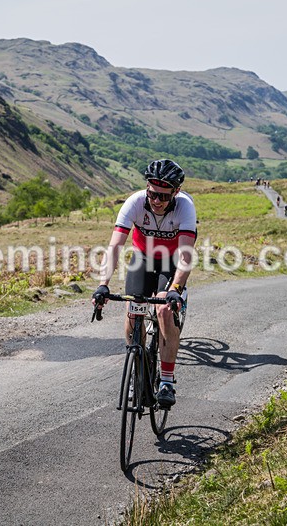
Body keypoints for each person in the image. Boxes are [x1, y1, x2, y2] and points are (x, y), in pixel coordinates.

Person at [92, 159, 197, 408]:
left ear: (176, 192)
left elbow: (185, 257)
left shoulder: (185, 207)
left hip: (172, 260)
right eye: (152, 193)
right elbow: (115, 246)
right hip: (143, 257)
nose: (156, 201)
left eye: (163, 195)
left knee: (162, 309)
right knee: (134, 309)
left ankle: (167, 381)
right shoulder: (136, 202)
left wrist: (175, 290)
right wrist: (103, 284)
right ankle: (138, 370)